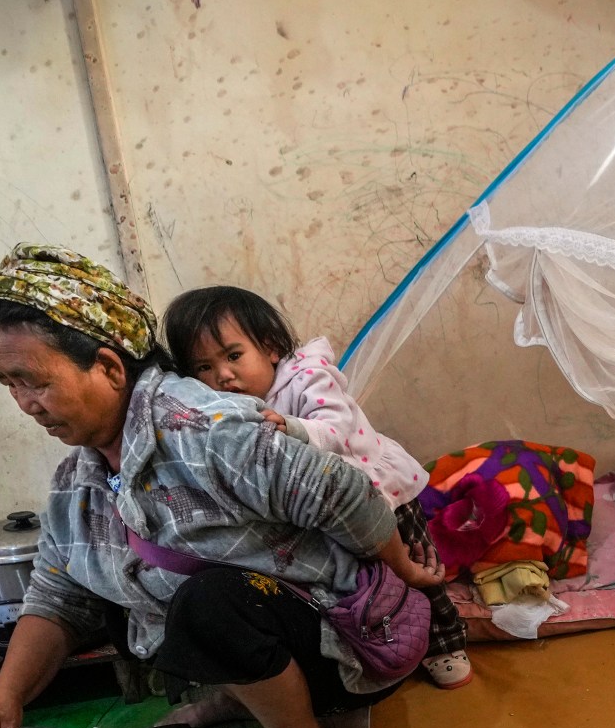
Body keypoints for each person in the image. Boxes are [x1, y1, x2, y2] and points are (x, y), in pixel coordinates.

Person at [0, 245, 444, 728]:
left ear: (111, 368)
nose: (24, 404)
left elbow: (344, 491)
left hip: (351, 642)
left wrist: (402, 568)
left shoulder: (204, 431)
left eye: (33, 382)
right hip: (276, 626)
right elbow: (59, 590)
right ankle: (246, 699)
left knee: (209, 603)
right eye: (9, 385)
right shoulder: (81, 477)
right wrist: (4, 698)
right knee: (123, 595)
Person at [163, 284, 473, 688]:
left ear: (271, 347)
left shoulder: (308, 376)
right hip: (334, 512)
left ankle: (445, 642)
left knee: (421, 568)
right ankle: (390, 638)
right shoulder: (228, 409)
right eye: (203, 368)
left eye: (234, 356)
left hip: (384, 491)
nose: (222, 375)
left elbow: (337, 428)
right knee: (371, 581)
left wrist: (291, 427)